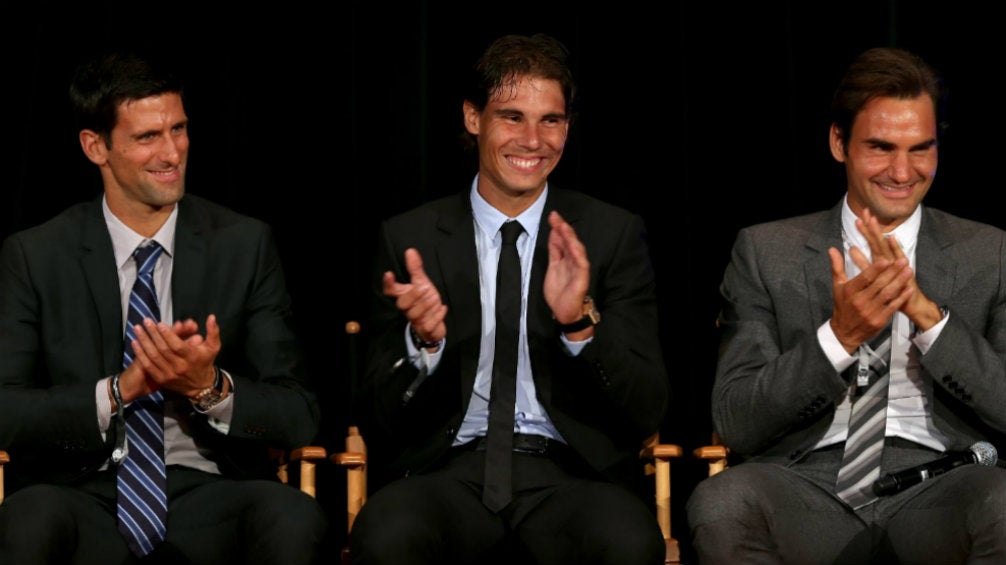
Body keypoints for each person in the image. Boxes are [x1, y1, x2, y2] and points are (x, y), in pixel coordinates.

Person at [349, 33, 669, 565]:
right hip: (446, 472)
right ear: (473, 118)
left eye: (552, 120)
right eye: (512, 116)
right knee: (386, 537)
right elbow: (374, 412)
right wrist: (423, 344)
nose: (533, 140)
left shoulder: (609, 234)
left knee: (630, 544)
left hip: (572, 476)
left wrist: (580, 326)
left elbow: (647, 405)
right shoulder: (412, 238)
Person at [0, 50, 327, 564]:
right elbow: (7, 409)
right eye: (148, 137)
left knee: (292, 516)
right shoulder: (37, 255)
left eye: (178, 129)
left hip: (210, 490)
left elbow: (298, 413)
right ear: (96, 147)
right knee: (27, 521)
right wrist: (119, 390)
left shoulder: (242, 245)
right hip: (82, 491)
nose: (173, 152)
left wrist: (208, 387)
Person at [686, 46, 1006, 564]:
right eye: (881, 147)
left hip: (942, 484)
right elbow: (738, 418)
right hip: (805, 482)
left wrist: (930, 320)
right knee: (723, 501)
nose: (903, 172)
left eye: (920, 149)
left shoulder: (988, 252)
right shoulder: (767, 251)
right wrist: (839, 337)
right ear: (839, 143)